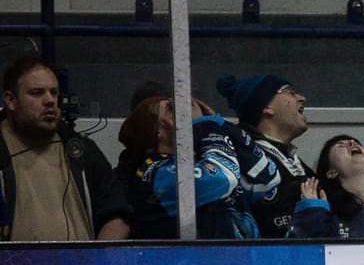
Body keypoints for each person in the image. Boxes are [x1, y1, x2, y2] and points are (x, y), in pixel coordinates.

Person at [1, 55, 130, 242]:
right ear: (11, 100)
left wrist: (97, 262)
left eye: (54, 92)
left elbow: (117, 216)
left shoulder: (82, 151)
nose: (50, 101)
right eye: (37, 93)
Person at [117, 96, 263, 240]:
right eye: (172, 109)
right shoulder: (156, 172)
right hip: (198, 262)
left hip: (241, 258)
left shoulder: (203, 157)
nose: (186, 111)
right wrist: (206, 126)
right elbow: (223, 176)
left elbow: (266, 177)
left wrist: (221, 124)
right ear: (157, 130)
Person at [216, 71, 309, 237]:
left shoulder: (296, 162)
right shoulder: (238, 159)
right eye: (290, 92)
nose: (302, 98)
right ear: (267, 107)